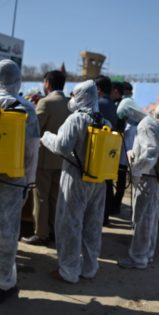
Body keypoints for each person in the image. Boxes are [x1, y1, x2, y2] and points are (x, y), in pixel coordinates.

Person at [40, 80, 108, 283]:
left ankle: (68, 270)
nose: (72, 99)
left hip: (76, 178)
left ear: (81, 97)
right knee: (92, 225)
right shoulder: (104, 121)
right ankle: (89, 267)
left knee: (69, 223)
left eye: (74, 95)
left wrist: (46, 137)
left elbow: (62, 146)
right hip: (98, 179)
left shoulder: (76, 119)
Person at [0, 59, 40, 302]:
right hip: (13, 180)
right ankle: (4, 283)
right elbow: (32, 149)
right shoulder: (26, 108)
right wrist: (29, 182)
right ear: (16, 80)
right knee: (6, 231)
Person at [22, 70, 70, 246]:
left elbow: (34, 129)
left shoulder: (45, 102)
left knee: (41, 197)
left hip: (44, 159)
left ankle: (41, 233)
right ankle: (53, 230)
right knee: (56, 197)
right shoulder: (69, 103)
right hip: (62, 158)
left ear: (47, 83)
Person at [116, 98, 159, 269]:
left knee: (142, 219)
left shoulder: (145, 125)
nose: (127, 121)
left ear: (130, 113)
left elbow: (150, 153)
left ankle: (138, 258)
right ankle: (147, 253)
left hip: (147, 180)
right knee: (150, 220)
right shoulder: (149, 122)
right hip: (151, 179)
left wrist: (135, 169)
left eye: (126, 117)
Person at [95, 75, 119, 225]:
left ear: (98, 89)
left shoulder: (98, 104)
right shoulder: (113, 105)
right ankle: (105, 217)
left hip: (98, 150)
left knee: (98, 188)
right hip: (111, 150)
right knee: (108, 184)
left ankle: (99, 217)